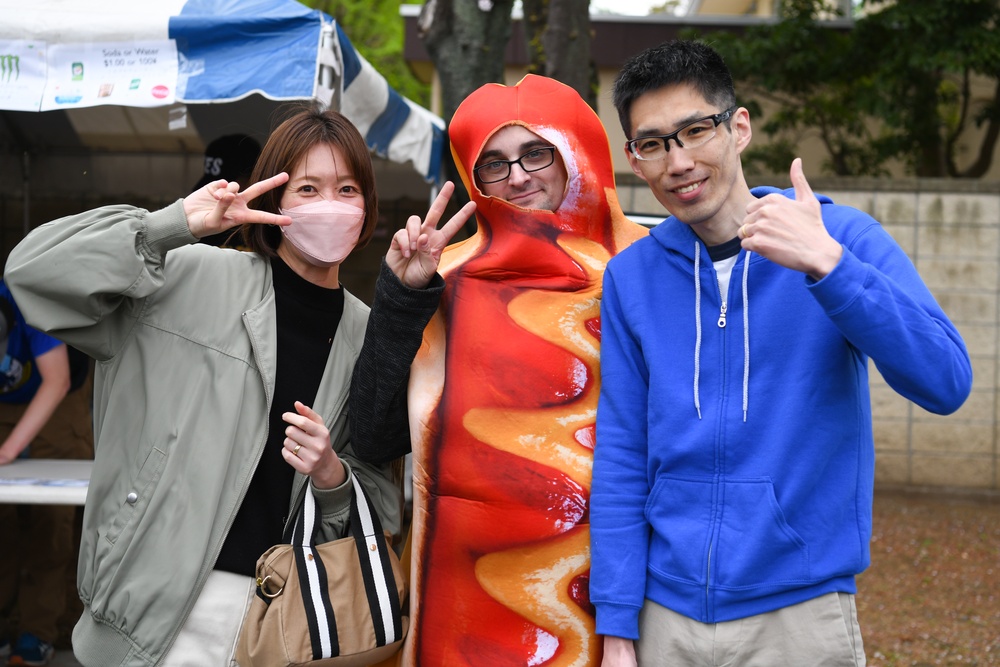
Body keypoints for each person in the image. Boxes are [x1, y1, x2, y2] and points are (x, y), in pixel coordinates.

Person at [4, 106, 475, 667]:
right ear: (276, 200)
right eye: (308, 187)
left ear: (367, 209)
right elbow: (34, 272)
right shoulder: (187, 273)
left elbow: (380, 503)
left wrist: (330, 477)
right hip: (144, 615)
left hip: (282, 630)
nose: (330, 204)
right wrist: (171, 224)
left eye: (347, 188)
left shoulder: (364, 334)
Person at [590, 40, 974, 667]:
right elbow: (623, 454)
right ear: (633, 157)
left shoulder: (840, 238)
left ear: (738, 127)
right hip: (664, 617)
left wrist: (830, 269)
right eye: (653, 143)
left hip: (799, 613)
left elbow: (945, 381)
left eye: (695, 131)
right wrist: (617, 626)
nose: (678, 161)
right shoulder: (631, 278)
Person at [353, 74, 647, 666]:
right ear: (470, 175)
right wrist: (400, 296)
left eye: (536, 152)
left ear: (575, 154)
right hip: (454, 590)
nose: (517, 177)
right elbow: (373, 434)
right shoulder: (442, 275)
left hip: (599, 591)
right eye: (493, 162)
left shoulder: (640, 267)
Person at [0, 282, 93, 667]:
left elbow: (57, 381)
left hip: (57, 399)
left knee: (50, 521)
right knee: (2, 521)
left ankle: (38, 633)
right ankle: (4, 625)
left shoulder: (24, 301)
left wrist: (6, 450)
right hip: (7, 403)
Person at [192, 133, 262, 248]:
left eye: (227, 186)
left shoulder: (265, 227)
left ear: (253, 177)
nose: (216, 196)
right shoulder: (202, 222)